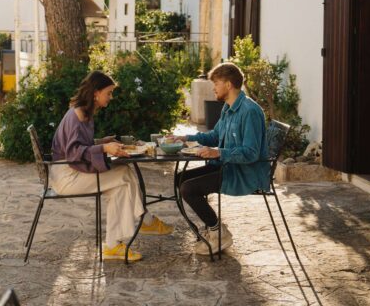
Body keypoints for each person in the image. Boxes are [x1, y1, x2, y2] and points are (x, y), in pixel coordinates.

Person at [50, 70, 172, 262]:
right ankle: (144, 219)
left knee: (119, 188)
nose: (111, 97)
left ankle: (114, 245)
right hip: (67, 176)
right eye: (109, 92)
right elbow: (73, 153)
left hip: (69, 171)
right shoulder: (77, 116)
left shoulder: (84, 113)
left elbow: (81, 145)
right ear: (95, 93)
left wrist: (101, 142)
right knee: (123, 173)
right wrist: (104, 147)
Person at [170, 62, 269, 255]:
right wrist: (187, 138)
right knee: (180, 179)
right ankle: (213, 229)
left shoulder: (249, 111)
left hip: (245, 173)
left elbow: (251, 152)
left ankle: (218, 232)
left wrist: (219, 153)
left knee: (188, 189)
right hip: (229, 166)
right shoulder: (228, 108)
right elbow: (215, 136)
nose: (213, 88)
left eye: (216, 83)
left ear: (229, 84)